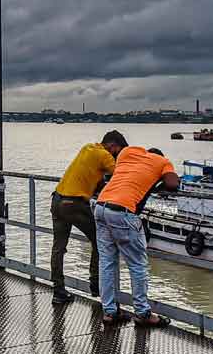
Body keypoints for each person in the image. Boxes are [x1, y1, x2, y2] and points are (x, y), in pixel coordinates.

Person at [95, 146, 180, 327]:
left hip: (101, 206)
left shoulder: (128, 152)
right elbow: (173, 184)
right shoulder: (163, 162)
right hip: (123, 212)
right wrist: (159, 181)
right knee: (137, 265)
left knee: (107, 263)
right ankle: (143, 313)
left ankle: (109, 312)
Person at [49, 130, 127, 304]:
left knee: (58, 248)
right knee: (100, 241)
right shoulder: (105, 155)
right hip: (74, 204)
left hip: (57, 200)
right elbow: (122, 175)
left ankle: (58, 291)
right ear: (112, 146)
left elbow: (89, 173)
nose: (117, 155)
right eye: (118, 151)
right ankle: (96, 286)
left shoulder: (88, 148)